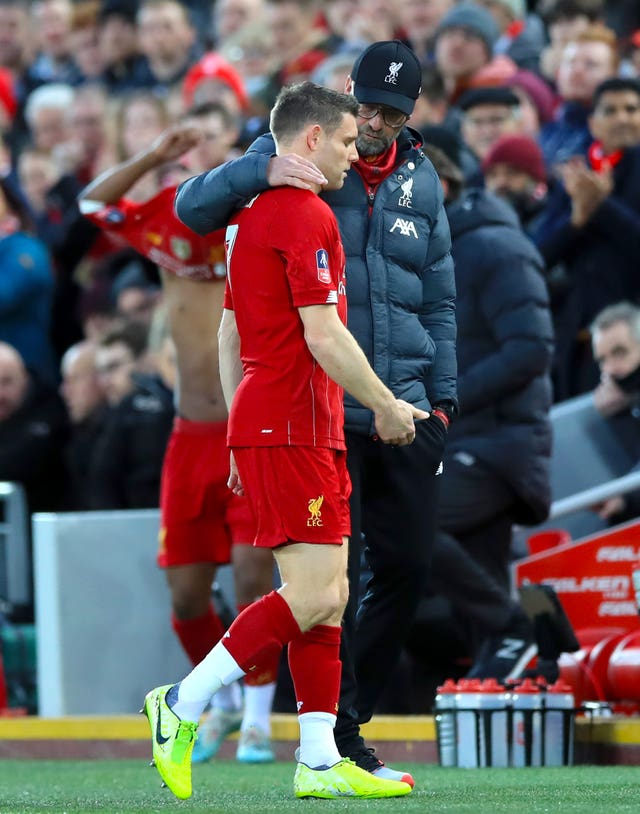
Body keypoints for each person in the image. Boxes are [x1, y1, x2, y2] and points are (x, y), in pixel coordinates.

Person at [175, 40, 457, 783]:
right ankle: (186, 701)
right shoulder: (287, 186)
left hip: (357, 406)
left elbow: (439, 293)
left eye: (393, 113)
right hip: (320, 406)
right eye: (364, 110)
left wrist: (439, 398)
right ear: (334, 111)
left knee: (365, 583)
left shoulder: (418, 179)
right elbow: (194, 216)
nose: (373, 124)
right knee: (321, 591)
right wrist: (254, 167)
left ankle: (322, 752)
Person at [78, 123, 277, 763]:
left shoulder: (273, 214)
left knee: (253, 577)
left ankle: (258, 719)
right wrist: (153, 157)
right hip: (190, 434)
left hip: (255, 428)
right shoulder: (170, 213)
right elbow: (90, 206)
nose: (215, 156)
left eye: (229, 143)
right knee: (187, 596)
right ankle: (218, 702)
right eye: (202, 143)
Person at [422, 143, 554, 681]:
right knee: (482, 599)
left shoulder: (495, 245)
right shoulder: (437, 252)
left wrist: (441, 402)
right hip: (470, 442)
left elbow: (531, 347)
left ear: (442, 188)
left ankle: (516, 629)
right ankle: (515, 672)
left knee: (404, 523)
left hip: (498, 447)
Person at [589, 302, 640, 524]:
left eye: (619, 353)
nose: (609, 368)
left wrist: (625, 497)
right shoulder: (614, 407)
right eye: (602, 360)